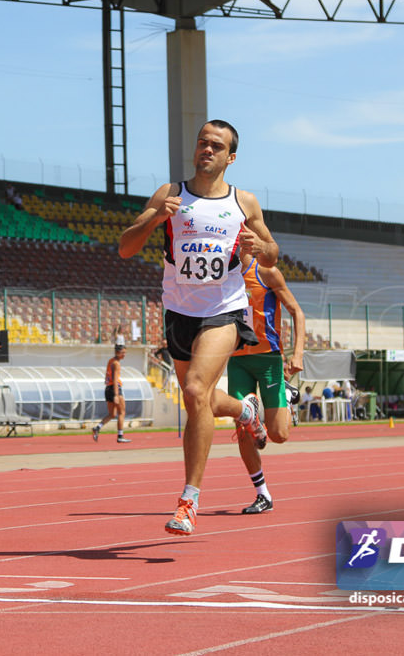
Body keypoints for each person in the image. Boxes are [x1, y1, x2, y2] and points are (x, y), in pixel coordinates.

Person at [118, 119, 278, 536]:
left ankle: (189, 501)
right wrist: (154, 218)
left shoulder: (244, 202)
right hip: (178, 312)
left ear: (231, 157)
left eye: (216, 145)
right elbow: (125, 247)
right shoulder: (170, 194)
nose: (206, 149)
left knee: (194, 392)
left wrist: (262, 248)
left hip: (224, 310)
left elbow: (273, 253)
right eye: (202, 143)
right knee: (199, 402)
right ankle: (245, 409)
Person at [227, 250, 305, 514]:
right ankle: (263, 494)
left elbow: (297, 312)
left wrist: (297, 353)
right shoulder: (222, 275)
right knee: (242, 428)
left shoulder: (266, 273)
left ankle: (287, 396)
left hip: (268, 358)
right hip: (237, 360)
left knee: (279, 436)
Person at [92, 345, 130, 443]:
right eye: (123, 353)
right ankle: (120, 436)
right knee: (122, 412)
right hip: (114, 388)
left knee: (112, 414)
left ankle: (97, 427)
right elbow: (115, 379)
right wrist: (116, 395)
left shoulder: (111, 361)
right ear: (118, 352)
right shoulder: (116, 363)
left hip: (108, 388)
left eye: (125, 353)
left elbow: (107, 377)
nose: (124, 355)